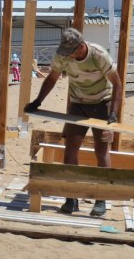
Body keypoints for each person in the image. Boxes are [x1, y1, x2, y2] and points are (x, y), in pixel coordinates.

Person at [24, 28, 122, 217]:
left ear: (81, 46)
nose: (67, 55)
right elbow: (52, 78)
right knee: (70, 151)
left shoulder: (98, 55)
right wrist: (37, 101)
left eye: (70, 51)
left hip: (102, 103)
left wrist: (113, 113)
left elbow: (117, 84)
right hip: (78, 104)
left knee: (101, 152)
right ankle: (71, 198)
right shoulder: (63, 56)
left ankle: (101, 199)